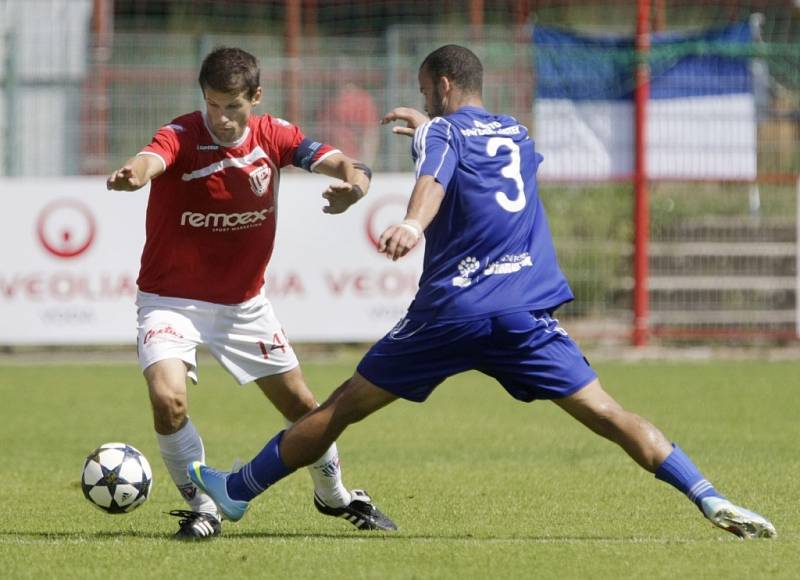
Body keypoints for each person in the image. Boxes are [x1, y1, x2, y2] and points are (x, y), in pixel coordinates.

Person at [187, 45, 777, 540]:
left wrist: (413, 222)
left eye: (424, 95)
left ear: (443, 86)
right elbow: (478, 160)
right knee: (609, 413)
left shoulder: (441, 132)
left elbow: (436, 175)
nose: (423, 105)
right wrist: (431, 130)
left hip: (453, 310)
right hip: (524, 311)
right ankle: (708, 496)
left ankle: (238, 491)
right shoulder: (517, 133)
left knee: (340, 408)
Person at [106, 46, 396, 539]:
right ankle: (204, 509)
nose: (220, 117)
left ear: (256, 97)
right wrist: (135, 175)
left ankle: (335, 496)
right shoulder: (181, 134)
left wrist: (356, 186)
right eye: (212, 104)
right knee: (167, 400)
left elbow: (344, 161)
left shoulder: (274, 136)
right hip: (170, 300)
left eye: (232, 106)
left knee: (306, 410)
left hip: (244, 305)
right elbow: (153, 157)